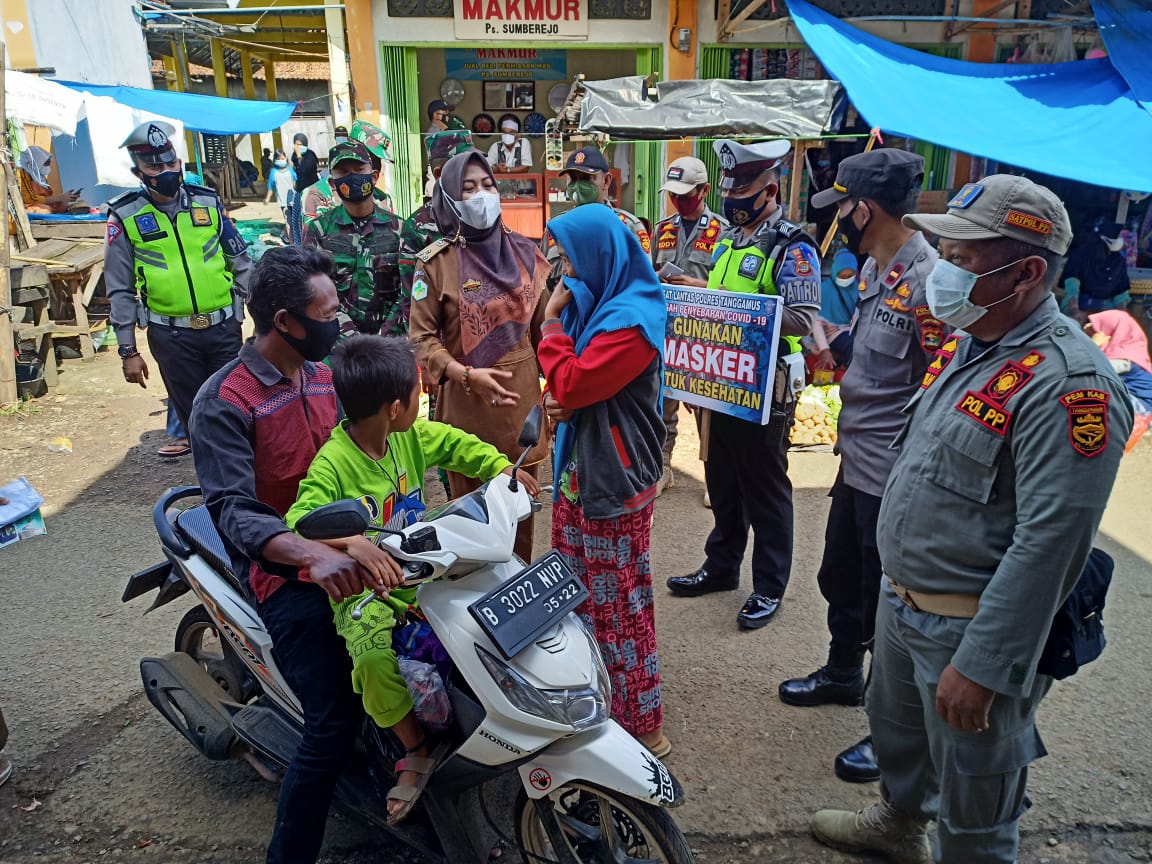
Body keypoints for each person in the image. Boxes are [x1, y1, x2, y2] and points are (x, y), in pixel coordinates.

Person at [811, 175, 1132, 864]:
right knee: (897, 739)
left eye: (964, 256)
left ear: (1026, 273)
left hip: (969, 630)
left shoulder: (1070, 387)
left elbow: (1050, 543)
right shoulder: (976, 343)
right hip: (904, 606)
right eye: (944, 247)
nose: (943, 267)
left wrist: (985, 664)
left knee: (976, 802)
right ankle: (899, 827)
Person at [284, 336, 538, 824]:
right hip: (366, 590)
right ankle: (414, 747)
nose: (422, 404)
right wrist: (353, 543)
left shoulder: (408, 435)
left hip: (422, 570)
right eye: (419, 395)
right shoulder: (333, 463)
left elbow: (456, 444)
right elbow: (300, 519)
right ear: (395, 407)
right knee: (375, 661)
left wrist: (500, 466)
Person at [191, 245, 379, 864]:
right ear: (285, 321)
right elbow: (235, 512)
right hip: (282, 571)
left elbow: (368, 445)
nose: (338, 320)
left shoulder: (322, 374)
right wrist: (307, 557)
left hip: (353, 539)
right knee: (330, 721)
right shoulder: (226, 400)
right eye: (327, 311)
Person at [778, 150, 946, 785]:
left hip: (894, 475)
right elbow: (873, 357)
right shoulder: (880, 272)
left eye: (841, 207)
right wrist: (829, 340)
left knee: (891, 604)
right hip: (857, 465)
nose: (837, 219)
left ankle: (892, 731)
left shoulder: (928, 280)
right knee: (842, 574)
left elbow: (936, 381)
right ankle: (844, 673)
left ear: (863, 208)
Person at [666, 139, 821, 631]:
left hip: (766, 385)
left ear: (770, 190)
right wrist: (701, 294)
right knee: (722, 476)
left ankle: (769, 586)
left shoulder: (792, 245)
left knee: (765, 485)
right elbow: (719, 294)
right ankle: (722, 565)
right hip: (721, 380)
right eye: (730, 185)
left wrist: (731, 305)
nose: (733, 195)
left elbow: (801, 317)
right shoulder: (731, 238)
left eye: (744, 186)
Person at [540, 202, 669, 756]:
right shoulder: (600, 306)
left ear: (599, 254)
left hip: (611, 484)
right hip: (581, 476)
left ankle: (644, 729)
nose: (564, 271)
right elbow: (575, 389)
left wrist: (549, 322)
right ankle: (597, 707)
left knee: (620, 610)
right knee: (580, 603)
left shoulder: (631, 321)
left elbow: (571, 382)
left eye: (569, 258)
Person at [408, 150, 550, 564]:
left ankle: (518, 602)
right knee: (471, 525)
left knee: (520, 520)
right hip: (466, 412)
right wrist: (464, 374)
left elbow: (547, 333)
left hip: (521, 411)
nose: (482, 195)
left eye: (487, 185)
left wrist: (561, 388)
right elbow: (421, 338)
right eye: (468, 188)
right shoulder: (436, 264)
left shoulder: (526, 254)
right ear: (449, 199)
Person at [106, 120, 251, 450]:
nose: (166, 171)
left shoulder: (208, 203)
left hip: (223, 328)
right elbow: (119, 289)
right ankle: (214, 488)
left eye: (171, 163)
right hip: (172, 337)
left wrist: (265, 320)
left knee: (236, 409)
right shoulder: (125, 215)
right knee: (196, 417)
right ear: (138, 171)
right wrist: (128, 350)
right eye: (155, 166)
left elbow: (241, 264)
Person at [651, 155, 729, 497]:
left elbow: (727, 288)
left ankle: (714, 475)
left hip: (706, 334)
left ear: (705, 190)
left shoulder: (724, 231)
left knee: (707, 408)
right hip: (667, 329)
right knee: (664, 399)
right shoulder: (662, 229)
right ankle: (664, 466)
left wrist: (688, 283)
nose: (679, 202)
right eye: (674, 195)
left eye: (686, 195)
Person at [302, 141, 406, 339]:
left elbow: (408, 289)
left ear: (374, 176)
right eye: (343, 172)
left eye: (359, 170)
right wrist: (352, 338)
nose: (353, 178)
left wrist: (384, 336)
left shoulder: (399, 229)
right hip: (338, 346)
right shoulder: (318, 230)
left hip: (390, 345)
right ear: (333, 184)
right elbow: (314, 291)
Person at [300, 120, 396, 226]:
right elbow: (314, 237)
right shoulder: (317, 195)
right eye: (370, 157)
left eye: (378, 159)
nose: (376, 165)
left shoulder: (382, 199)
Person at [1083, 308, 1152, 452]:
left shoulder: (1124, 358)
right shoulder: (1126, 351)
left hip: (1141, 410)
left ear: (1111, 333)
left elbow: (1085, 369)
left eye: (1096, 331)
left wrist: (1093, 345)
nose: (1092, 335)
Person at [808, 246, 860, 372]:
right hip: (829, 334)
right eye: (842, 276)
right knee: (854, 345)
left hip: (849, 329)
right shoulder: (825, 289)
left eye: (850, 275)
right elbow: (816, 323)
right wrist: (825, 349)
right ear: (835, 272)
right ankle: (843, 373)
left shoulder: (857, 287)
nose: (846, 279)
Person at [1061, 220, 1131, 314]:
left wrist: (1121, 314)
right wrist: (1074, 309)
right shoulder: (1081, 254)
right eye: (1118, 237)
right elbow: (1072, 283)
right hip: (1079, 303)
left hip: (1106, 307)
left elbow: (1121, 290)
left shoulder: (1118, 260)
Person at [16, 146, 75, 215]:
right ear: (36, 162)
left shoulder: (40, 177)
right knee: (45, 210)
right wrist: (59, 198)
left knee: (65, 205)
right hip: (29, 206)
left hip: (44, 206)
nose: (48, 167)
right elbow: (29, 199)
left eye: (48, 164)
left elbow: (49, 197)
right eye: (46, 164)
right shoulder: (22, 173)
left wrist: (64, 198)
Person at [265, 150, 297, 237]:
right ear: (275, 160)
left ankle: (295, 238)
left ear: (286, 158)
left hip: (294, 199)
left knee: (296, 220)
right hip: (283, 201)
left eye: (283, 158)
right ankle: (291, 241)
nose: (281, 160)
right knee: (288, 221)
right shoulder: (273, 172)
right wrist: (268, 198)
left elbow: (295, 181)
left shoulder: (290, 170)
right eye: (279, 159)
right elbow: (271, 186)